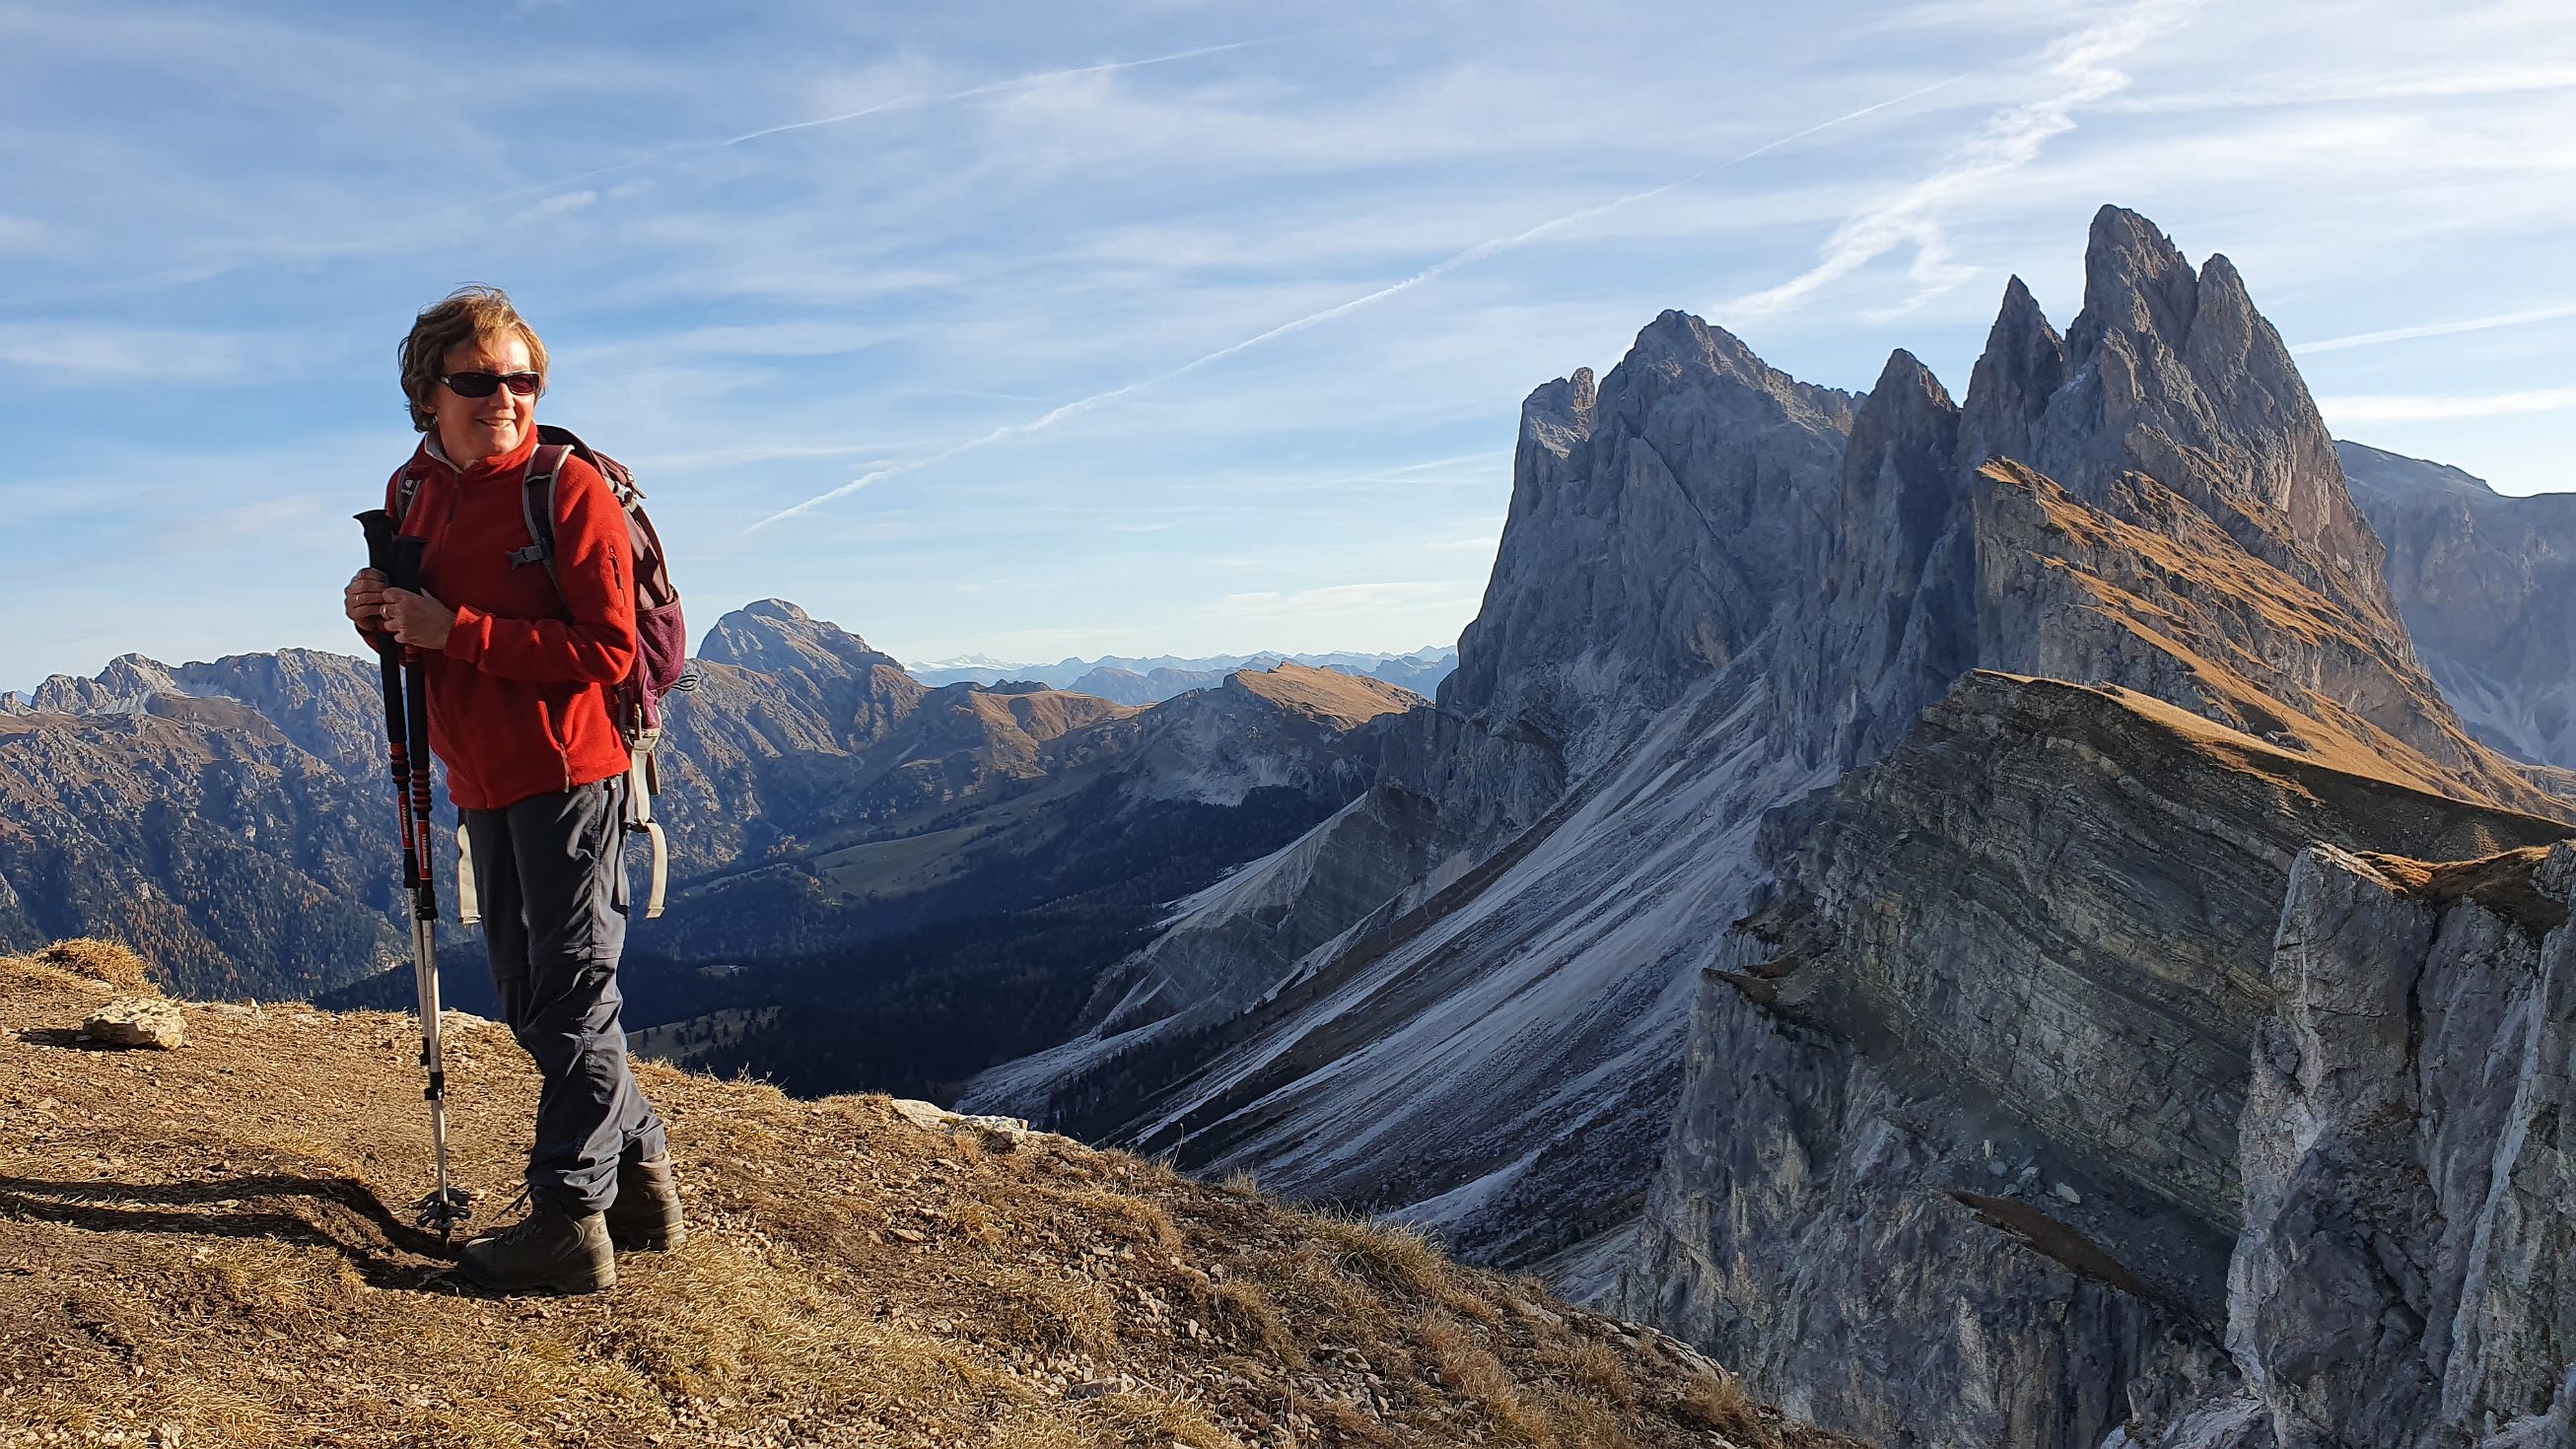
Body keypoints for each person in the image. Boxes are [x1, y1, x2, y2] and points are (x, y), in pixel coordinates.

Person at [341, 285, 682, 1294]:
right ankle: (643, 1171)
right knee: (539, 1003)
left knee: (573, 999)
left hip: (574, 773)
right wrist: (379, 614)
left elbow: (606, 649)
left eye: (522, 379)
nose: (507, 397)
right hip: (481, 778)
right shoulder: (412, 493)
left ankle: (568, 1221)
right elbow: (424, 635)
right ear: (429, 391)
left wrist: (460, 632)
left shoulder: (563, 489)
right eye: (481, 379)